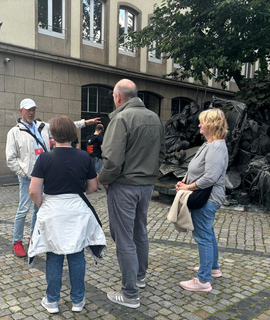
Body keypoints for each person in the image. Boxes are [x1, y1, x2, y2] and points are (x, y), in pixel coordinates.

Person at [28, 115, 107, 314]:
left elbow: (33, 190)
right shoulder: (83, 157)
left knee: (54, 255)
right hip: (76, 210)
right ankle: (78, 301)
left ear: (52, 135)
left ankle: (52, 301)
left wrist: (42, 205)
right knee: (76, 253)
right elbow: (92, 187)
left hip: (53, 210)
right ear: (73, 134)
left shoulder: (44, 158)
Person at [99, 79, 165, 308]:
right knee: (140, 231)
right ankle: (139, 277)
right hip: (146, 185)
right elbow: (162, 152)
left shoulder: (121, 118)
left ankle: (130, 294)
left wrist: (104, 181)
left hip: (124, 185)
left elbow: (112, 159)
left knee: (124, 237)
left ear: (118, 97)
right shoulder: (154, 117)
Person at [6, 98, 99, 258]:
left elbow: (66, 127)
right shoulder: (14, 132)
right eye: (28, 109)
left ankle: (33, 238)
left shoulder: (42, 127)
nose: (31, 112)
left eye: (33, 109)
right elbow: (10, 159)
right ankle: (17, 241)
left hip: (45, 175)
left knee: (38, 209)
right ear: (21, 110)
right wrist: (24, 173)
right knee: (23, 209)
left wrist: (86, 122)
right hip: (28, 177)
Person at [175, 108, 228, 292]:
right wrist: (185, 181)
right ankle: (213, 268)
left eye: (202, 122)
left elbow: (210, 177)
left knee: (203, 236)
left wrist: (188, 187)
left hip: (207, 198)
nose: (199, 125)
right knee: (208, 232)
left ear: (211, 125)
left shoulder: (216, 147)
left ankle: (203, 280)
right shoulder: (210, 144)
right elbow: (199, 171)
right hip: (205, 196)